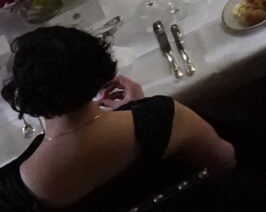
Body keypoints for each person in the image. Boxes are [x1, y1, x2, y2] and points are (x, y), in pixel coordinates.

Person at [0, 26, 232, 210]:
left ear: (24, 97)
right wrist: (139, 109)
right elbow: (224, 160)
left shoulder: (13, 189)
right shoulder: (161, 117)